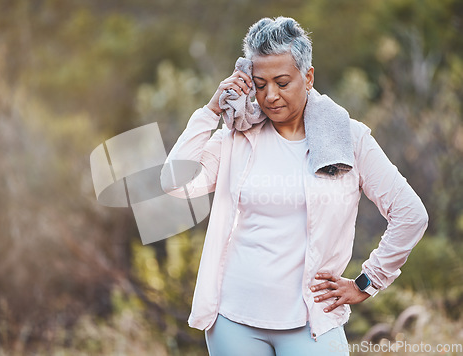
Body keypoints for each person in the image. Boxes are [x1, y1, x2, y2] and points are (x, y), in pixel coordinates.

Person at [160, 16, 428, 356]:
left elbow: (410, 215)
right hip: (233, 321)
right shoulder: (237, 137)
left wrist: (367, 281)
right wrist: (211, 111)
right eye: (260, 84)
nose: (270, 96)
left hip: (311, 325)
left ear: (308, 77)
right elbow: (174, 182)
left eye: (283, 82)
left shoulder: (350, 140)